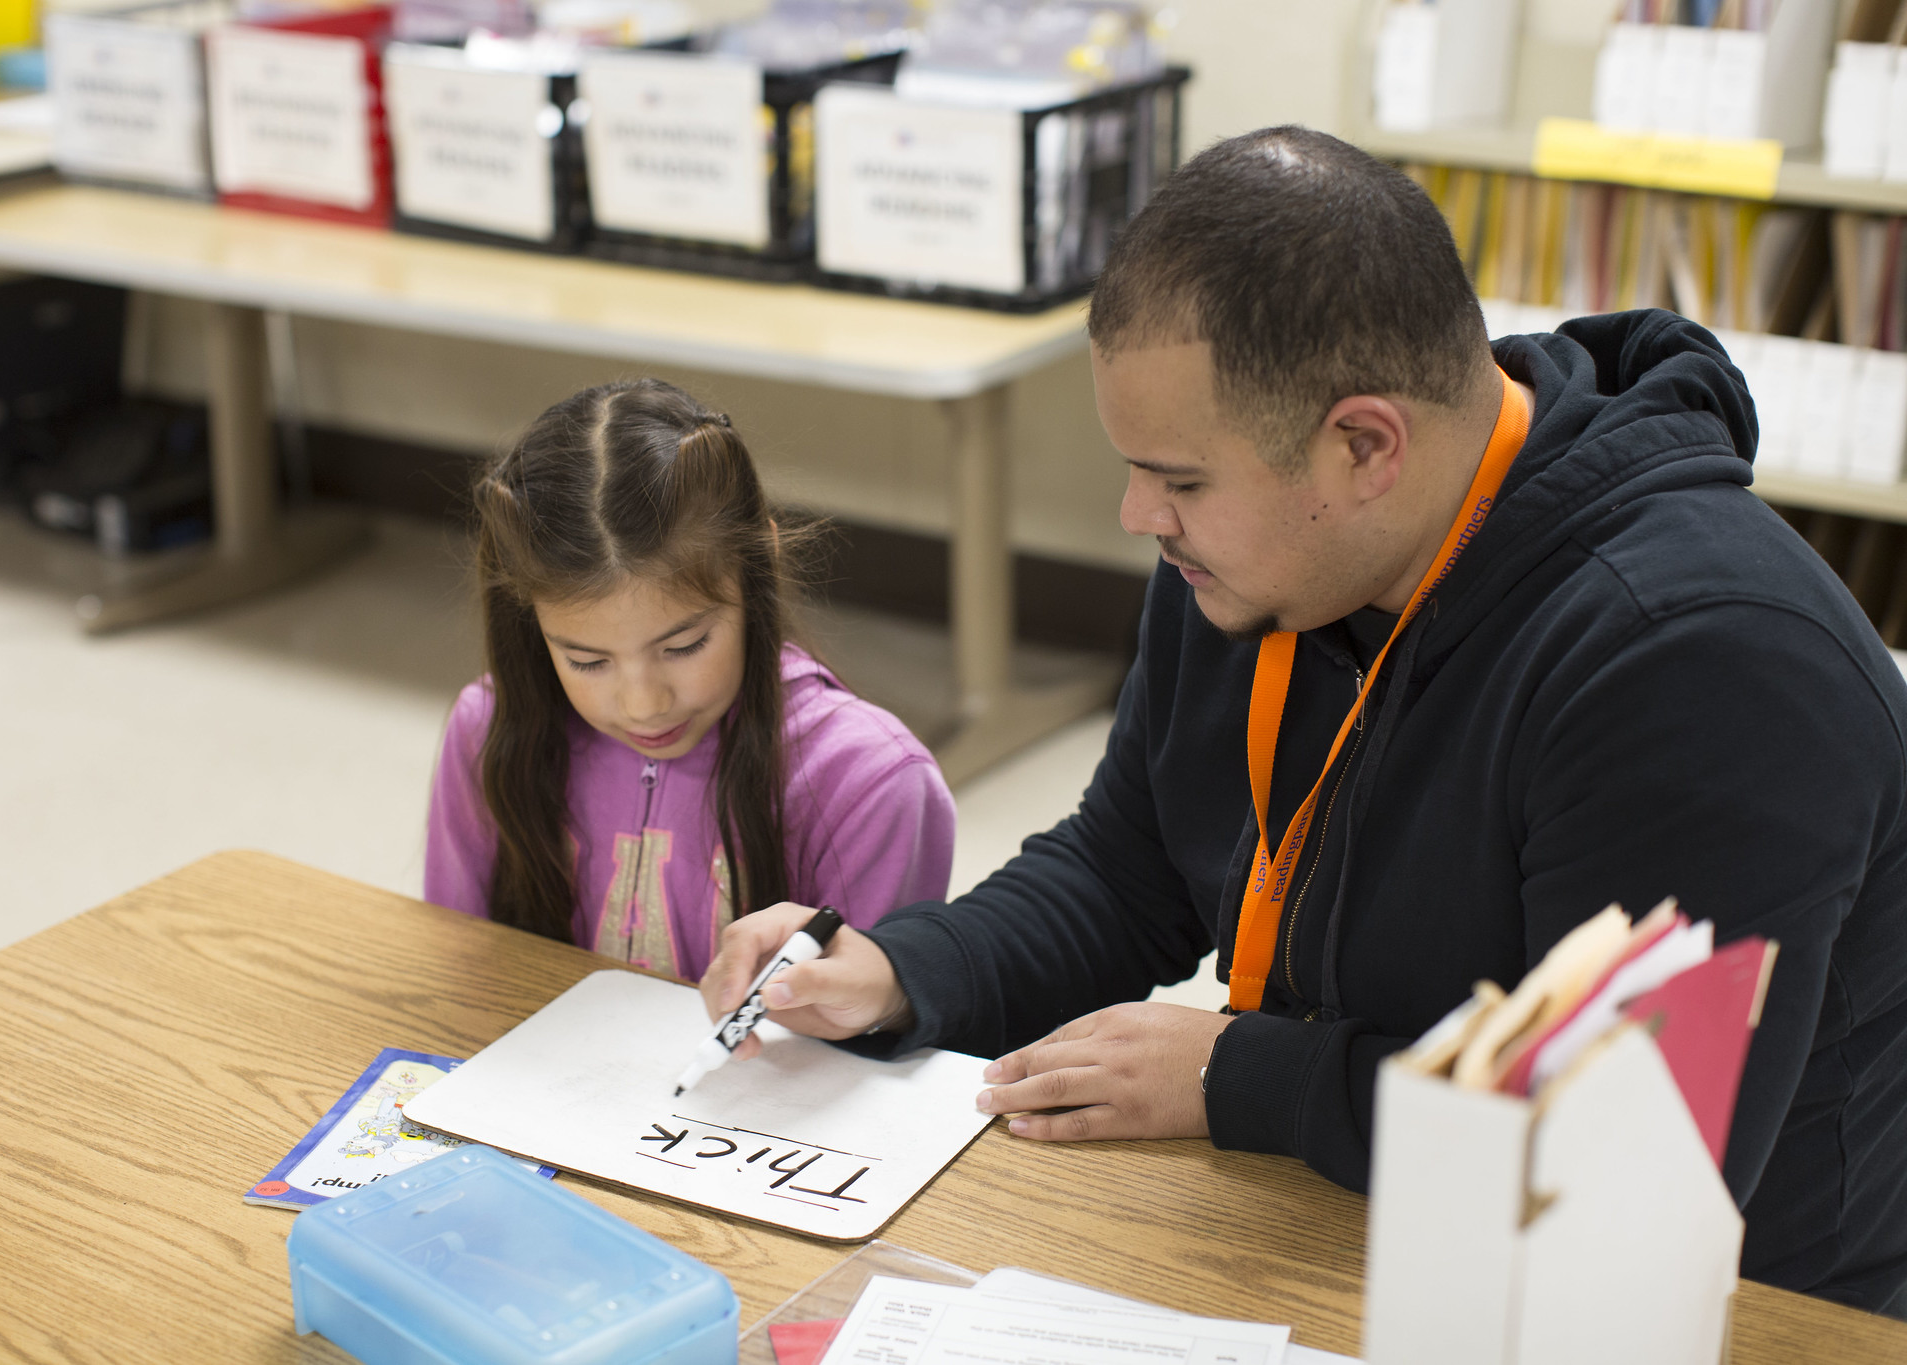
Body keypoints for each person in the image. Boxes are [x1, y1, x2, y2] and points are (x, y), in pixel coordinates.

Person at [698, 128, 1907, 1315]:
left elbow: (1602, 1155)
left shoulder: (1698, 664)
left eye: (1178, 480)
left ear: (1363, 445)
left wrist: (1248, 1076)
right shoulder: (1271, 556)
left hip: (1741, 1305)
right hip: (1352, 1207)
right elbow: (1133, 867)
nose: (1136, 515)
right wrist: (906, 969)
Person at [425, 377, 955, 983]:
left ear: (757, 567)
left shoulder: (868, 783)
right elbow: (458, 970)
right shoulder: (486, 731)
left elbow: (868, 1044)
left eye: (684, 645)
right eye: (588, 661)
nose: (644, 704)